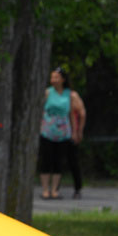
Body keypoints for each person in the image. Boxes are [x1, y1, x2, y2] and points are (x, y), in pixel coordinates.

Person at [39, 66, 86, 199]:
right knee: (46, 160)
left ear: (63, 79)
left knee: (58, 161)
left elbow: (73, 113)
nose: (53, 80)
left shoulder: (70, 94)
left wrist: (76, 131)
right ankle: (45, 190)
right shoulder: (47, 92)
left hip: (63, 132)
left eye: (56, 77)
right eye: (52, 77)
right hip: (47, 130)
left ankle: (55, 190)